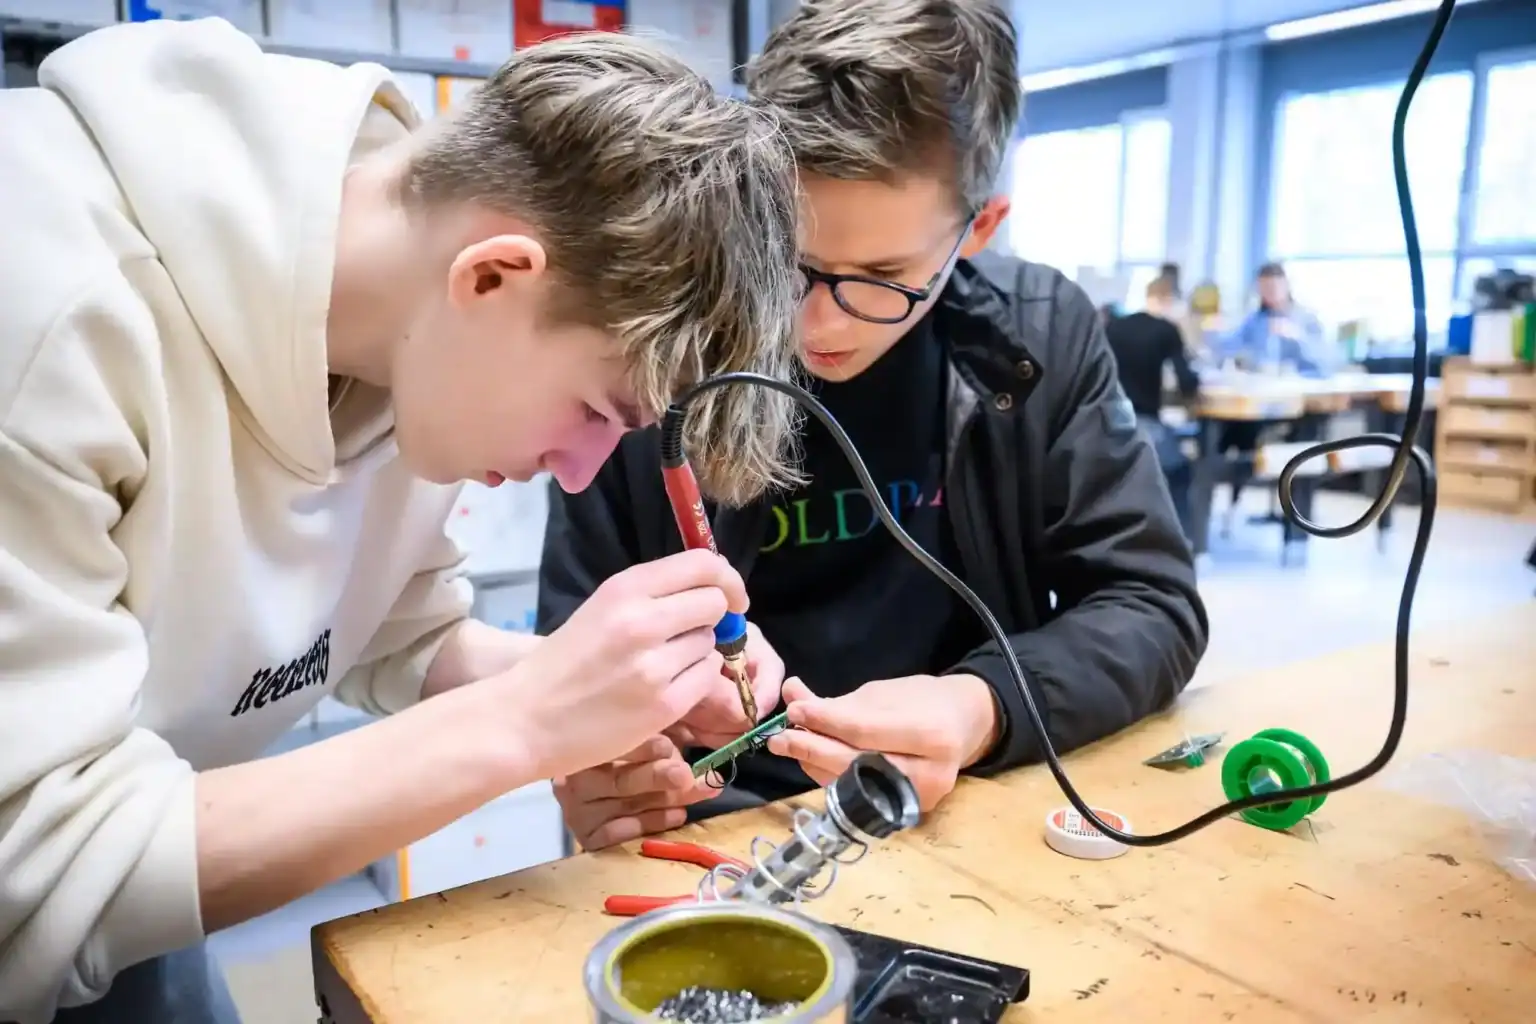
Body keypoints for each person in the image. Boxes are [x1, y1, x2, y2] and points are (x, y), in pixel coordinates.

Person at [0, 17, 804, 1024]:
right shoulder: (46, 304)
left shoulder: (410, 324)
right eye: (598, 412)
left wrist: (612, 696)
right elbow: (33, 871)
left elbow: (390, 631)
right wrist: (528, 720)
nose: (577, 474)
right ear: (494, 275)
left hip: (132, 927)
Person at [539, 0, 1209, 852]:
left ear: (980, 229)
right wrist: (604, 759)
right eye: (787, 260)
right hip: (716, 828)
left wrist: (982, 706)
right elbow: (567, 646)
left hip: (960, 802)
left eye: (883, 278)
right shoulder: (649, 344)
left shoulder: (1037, 335)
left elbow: (1151, 604)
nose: (819, 325)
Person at [1211, 262, 1331, 528]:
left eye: (1273, 286)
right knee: (1224, 436)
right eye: (1263, 288)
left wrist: (1298, 338)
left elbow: (1327, 365)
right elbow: (1227, 348)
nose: (1269, 293)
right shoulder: (1254, 321)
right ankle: (1222, 511)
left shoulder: (1305, 320)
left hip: (1297, 410)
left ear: (1286, 286)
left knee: (1303, 441)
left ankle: (1296, 526)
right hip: (1256, 408)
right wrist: (1215, 332)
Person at [1106, 275, 1201, 538]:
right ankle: (1185, 540)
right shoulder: (1166, 330)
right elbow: (1187, 382)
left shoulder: (1114, 326)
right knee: (1183, 467)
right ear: (1169, 300)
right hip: (1145, 424)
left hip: (1107, 425)